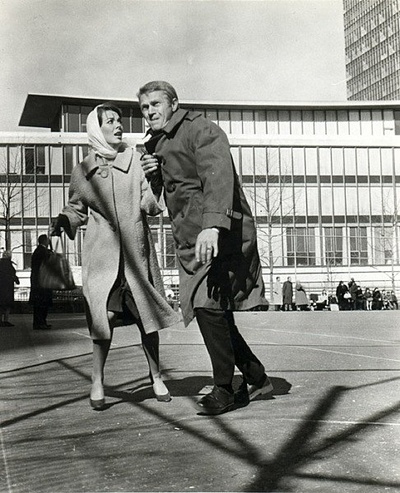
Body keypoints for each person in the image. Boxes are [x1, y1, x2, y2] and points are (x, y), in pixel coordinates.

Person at [138, 81, 273, 415]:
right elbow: (168, 196)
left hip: (220, 235)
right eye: (144, 107)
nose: (150, 111)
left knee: (207, 306)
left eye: (156, 104)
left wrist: (212, 227)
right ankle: (256, 376)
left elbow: (218, 179)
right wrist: (154, 177)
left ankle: (225, 388)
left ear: (173, 104)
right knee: (214, 310)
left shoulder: (201, 130)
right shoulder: (157, 143)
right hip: (192, 240)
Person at [51, 103, 181, 410]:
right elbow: (76, 208)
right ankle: (97, 380)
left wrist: (156, 183)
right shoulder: (83, 170)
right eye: (110, 121)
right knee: (103, 321)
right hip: (103, 259)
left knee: (146, 319)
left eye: (119, 120)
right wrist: (64, 220)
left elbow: (150, 205)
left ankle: (156, 376)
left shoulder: (135, 160)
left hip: (136, 257)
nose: (118, 125)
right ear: (97, 129)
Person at [29, 235, 53, 330]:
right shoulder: (42, 252)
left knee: (39, 305)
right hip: (42, 282)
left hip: (38, 282)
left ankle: (39, 323)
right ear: (44, 241)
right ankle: (41, 322)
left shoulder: (38, 251)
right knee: (42, 304)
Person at [0, 251, 20, 327]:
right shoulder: (9, 265)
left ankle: (0, 320)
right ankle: (6, 320)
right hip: (8, 286)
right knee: (7, 304)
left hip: (1, 286)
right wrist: (16, 280)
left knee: (1, 304)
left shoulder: (1, 263)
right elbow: (12, 274)